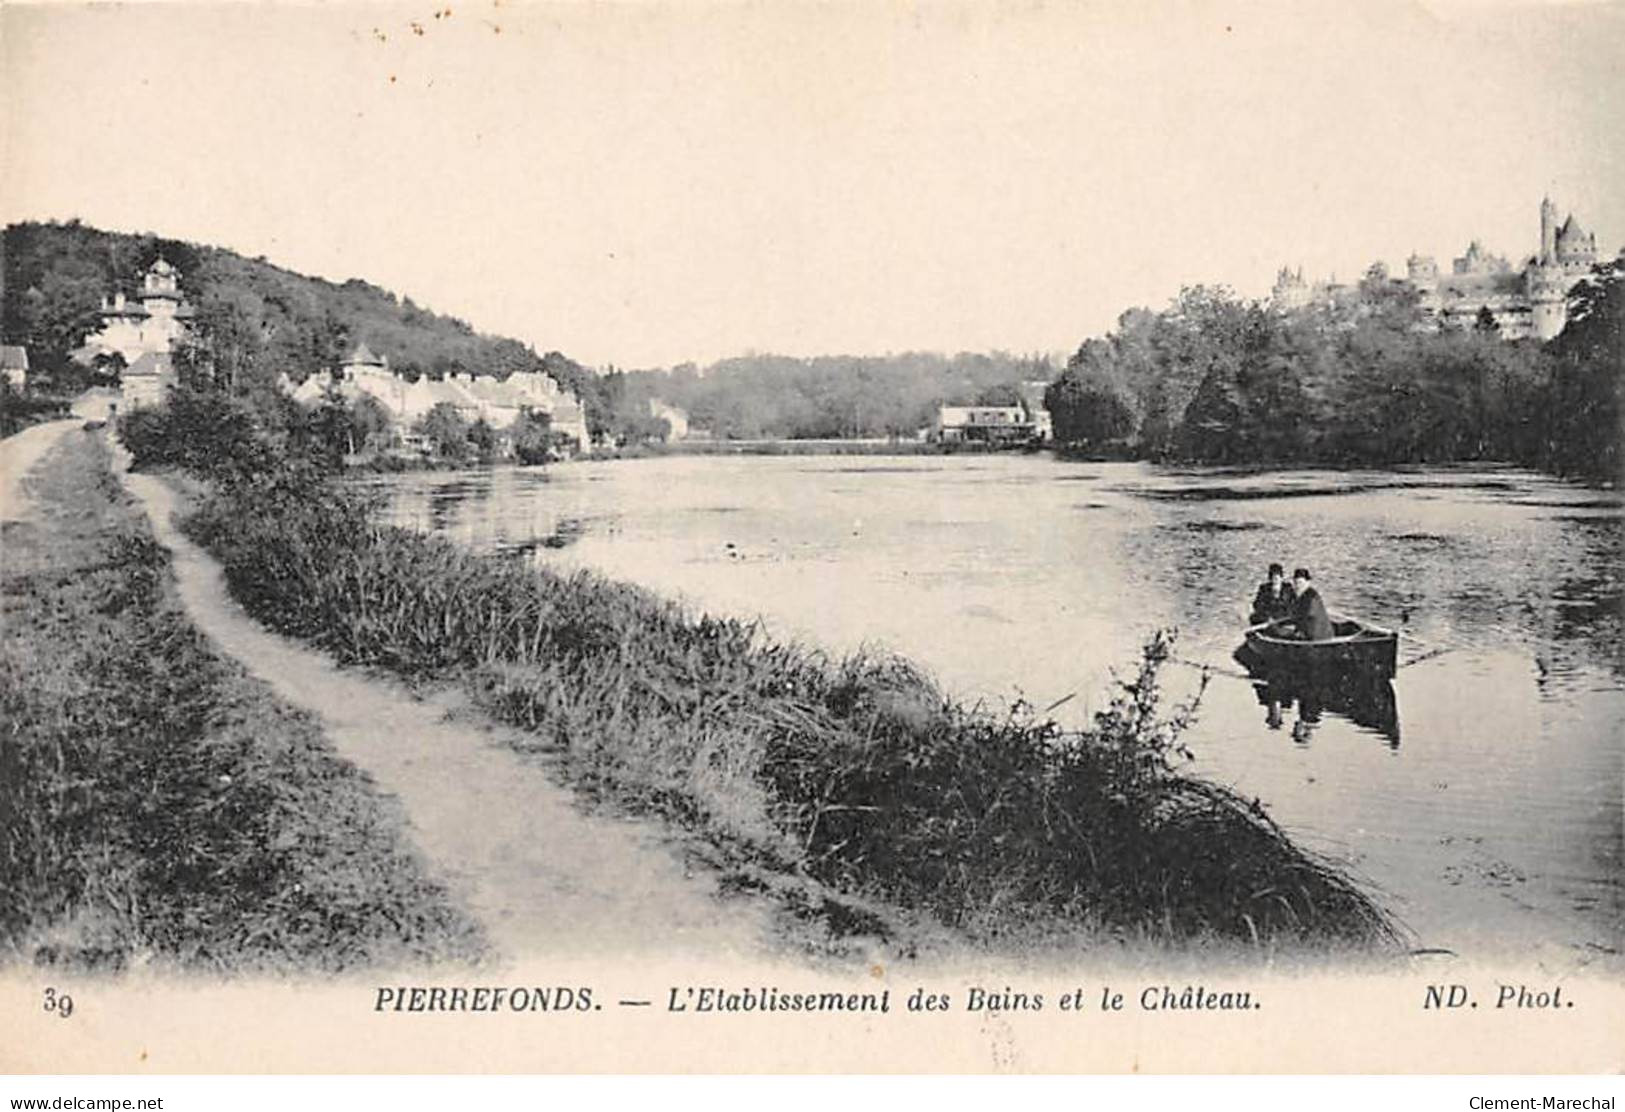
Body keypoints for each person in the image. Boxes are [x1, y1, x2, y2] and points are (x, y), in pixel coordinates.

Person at [1289, 567, 1334, 641]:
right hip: (1319, 633)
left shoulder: (1311, 597)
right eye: (1296, 583)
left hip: (1315, 636)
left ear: (1308, 582)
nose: (1298, 586)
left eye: (1300, 583)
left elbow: (1305, 617)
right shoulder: (1307, 594)